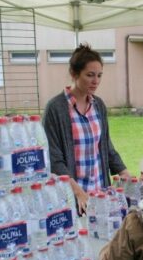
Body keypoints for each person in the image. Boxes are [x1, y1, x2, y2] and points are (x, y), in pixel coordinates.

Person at [43, 43, 129, 214]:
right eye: (90, 75)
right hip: (72, 196)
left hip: (100, 193)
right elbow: (54, 160)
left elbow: (105, 146)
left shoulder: (99, 105)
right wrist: (78, 193)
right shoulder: (55, 108)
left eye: (99, 75)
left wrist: (124, 172)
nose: (95, 81)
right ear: (74, 74)